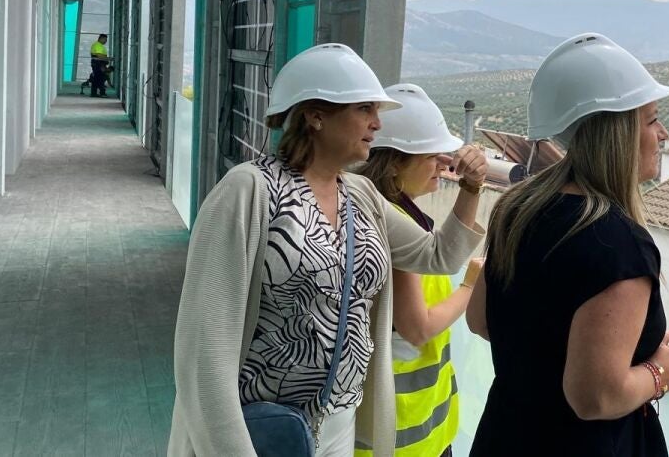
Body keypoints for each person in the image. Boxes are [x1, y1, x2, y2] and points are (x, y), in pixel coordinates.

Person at [167, 43, 486, 457]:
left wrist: (471, 188)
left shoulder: (361, 195)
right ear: (315, 115)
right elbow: (204, 350)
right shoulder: (249, 191)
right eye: (364, 109)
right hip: (260, 425)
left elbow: (438, 256)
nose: (377, 123)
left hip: (339, 422)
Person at [467, 33, 669, 457]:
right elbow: (594, 398)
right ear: (617, 131)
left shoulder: (518, 209)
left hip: (505, 437)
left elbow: (481, 320)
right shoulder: (619, 245)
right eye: (651, 120)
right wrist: (661, 372)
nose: (663, 133)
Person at [351, 83, 486, 457]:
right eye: (431, 155)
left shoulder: (397, 215)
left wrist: (472, 187)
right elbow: (417, 328)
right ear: (395, 163)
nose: (443, 163)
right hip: (399, 435)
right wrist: (469, 286)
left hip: (422, 427)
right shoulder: (386, 225)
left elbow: (442, 251)